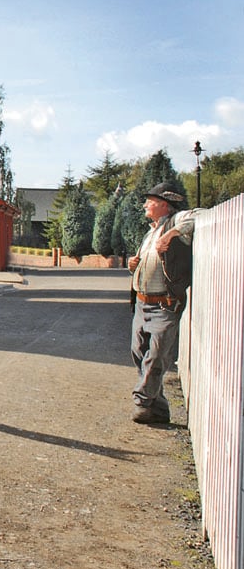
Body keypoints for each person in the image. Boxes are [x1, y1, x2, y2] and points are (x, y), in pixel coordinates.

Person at [127, 182, 197, 425]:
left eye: (150, 200)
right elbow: (149, 261)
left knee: (156, 356)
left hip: (165, 304)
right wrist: (134, 265)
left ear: (164, 204)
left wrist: (172, 233)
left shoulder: (176, 221)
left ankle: (142, 401)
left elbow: (201, 216)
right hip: (142, 302)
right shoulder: (149, 232)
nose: (145, 204)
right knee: (139, 353)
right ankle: (159, 409)